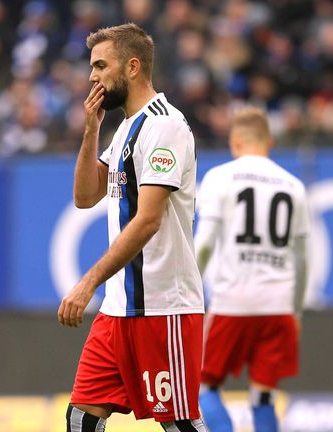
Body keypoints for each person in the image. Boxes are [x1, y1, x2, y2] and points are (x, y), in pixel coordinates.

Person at [58, 23, 207, 432]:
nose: (92, 76)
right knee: (81, 416)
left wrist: (88, 281)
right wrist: (91, 129)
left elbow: (148, 220)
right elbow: (86, 196)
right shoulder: (125, 127)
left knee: (179, 424)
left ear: (133, 67)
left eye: (101, 66)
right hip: (117, 310)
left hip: (164, 308)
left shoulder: (165, 125)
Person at [194, 107, 311, 432]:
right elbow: (302, 259)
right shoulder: (294, 186)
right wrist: (296, 312)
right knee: (263, 396)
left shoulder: (219, 177)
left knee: (202, 386)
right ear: (269, 142)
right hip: (278, 306)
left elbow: (203, 244)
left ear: (235, 142)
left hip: (233, 301)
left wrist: (187, 292)